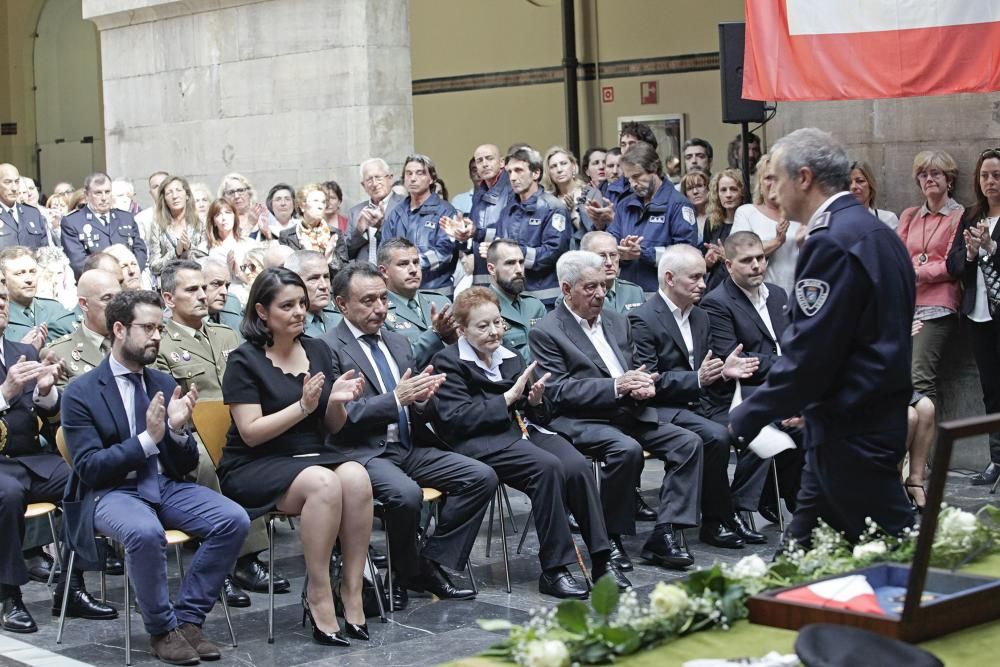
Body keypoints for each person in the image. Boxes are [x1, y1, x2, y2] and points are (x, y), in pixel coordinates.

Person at [729, 127, 916, 546]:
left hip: (851, 428)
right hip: (863, 417)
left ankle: (951, 606)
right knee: (803, 549)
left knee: (900, 546)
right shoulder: (875, 232)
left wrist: (750, 412)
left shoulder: (830, 241)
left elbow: (814, 350)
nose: (771, 190)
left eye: (775, 177)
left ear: (805, 178)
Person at [61, 290, 250, 664]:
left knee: (234, 519)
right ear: (118, 329)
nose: (156, 337)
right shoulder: (80, 392)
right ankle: (162, 630)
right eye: (147, 327)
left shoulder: (163, 383)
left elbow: (182, 467)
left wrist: (178, 432)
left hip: (165, 485)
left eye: (160, 328)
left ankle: (189, 619)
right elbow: (90, 468)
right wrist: (148, 439)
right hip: (111, 491)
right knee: (145, 533)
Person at [434, 287, 629, 596]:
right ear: (462, 330)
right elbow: (456, 420)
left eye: (498, 322)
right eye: (483, 326)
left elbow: (536, 409)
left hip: (521, 430)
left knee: (576, 465)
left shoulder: (509, 355)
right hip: (481, 441)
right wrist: (507, 400)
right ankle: (554, 569)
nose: (494, 331)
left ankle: (603, 559)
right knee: (548, 467)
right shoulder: (449, 362)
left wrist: (535, 401)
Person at [325, 262, 493, 609]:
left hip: (408, 444)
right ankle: (405, 573)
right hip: (362, 452)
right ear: (342, 305)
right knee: (406, 495)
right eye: (368, 300)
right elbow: (342, 417)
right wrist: (396, 399)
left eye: (384, 298)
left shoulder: (398, 342)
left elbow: (416, 405)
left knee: (481, 476)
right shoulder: (327, 347)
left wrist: (422, 400)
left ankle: (424, 564)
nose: (381, 308)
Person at [219, 267, 370, 646]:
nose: (300, 311)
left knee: (356, 476)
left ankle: (351, 588)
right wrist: (302, 407)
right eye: (287, 305)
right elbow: (251, 433)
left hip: (313, 452)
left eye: (302, 303)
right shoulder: (243, 361)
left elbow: (333, 426)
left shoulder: (318, 349)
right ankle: (317, 591)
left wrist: (336, 402)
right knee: (324, 482)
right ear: (262, 312)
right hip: (257, 462)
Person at [529, 251, 706, 571]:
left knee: (689, 442)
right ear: (566, 289)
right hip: (582, 418)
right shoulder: (547, 331)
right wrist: (616, 386)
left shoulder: (617, 320)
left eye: (603, 286)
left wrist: (643, 384)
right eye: (590, 287)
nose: (600, 294)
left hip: (629, 409)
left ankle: (665, 532)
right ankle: (608, 537)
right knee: (626, 450)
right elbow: (558, 391)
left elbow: (634, 366)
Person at [154, 260, 285, 605]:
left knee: (270, 452)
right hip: (189, 433)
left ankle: (248, 560)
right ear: (169, 298)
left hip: (237, 426)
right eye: (192, 290)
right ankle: (224, 566)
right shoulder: (163, 343)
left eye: (204, 288)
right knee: (208, 462)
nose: (203, 295)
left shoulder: (227, 335)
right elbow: (169, 401)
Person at [0, 279, 116, 635]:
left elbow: (50, 422)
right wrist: (5, 393)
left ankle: (72, 585)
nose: (1, 305)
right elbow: (9, 400)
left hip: (28, 458)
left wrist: (46, 394)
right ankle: (8, 596)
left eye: (3, 298)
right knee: (8, 494)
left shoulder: (22, 350)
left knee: (82, 474)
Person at [628, 244, 763, 547]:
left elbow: (709, 367)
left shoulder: (700, 317)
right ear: (670, 278)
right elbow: (648, 380)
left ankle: (728, 513)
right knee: (714, 437)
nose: (703, 284)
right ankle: (716, 519)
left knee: (754, 425)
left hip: (702, 402)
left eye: (704, 277)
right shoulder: (643, 318)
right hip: (661, 407)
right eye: (695, 278)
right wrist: (696, 379)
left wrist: (725, 370)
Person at [699, 231, 803, 522]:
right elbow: (734, 359)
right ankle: (740, 509)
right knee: (762, 422)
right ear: (729, 265)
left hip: (780, 389)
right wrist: (787, 363)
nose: (757, 265)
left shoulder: (778, 294)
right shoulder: (717, 302)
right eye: (747, 261)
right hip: (737, 395)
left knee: (811, 422)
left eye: (760, 257)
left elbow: (793, 344)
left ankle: (788, 497)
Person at [897, 151, 964, 425]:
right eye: (923, 175)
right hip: (905, 306)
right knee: (901, 379)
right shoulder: (910, 215)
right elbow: (896, 255)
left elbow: (951, 265)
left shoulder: (959, 215)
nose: (929, 179)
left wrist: (916, 272)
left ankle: (921, 460)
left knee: (919, 379)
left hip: (937, 306)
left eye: (935, 173)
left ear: (949, 179)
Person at [946, 148, 1000, 487]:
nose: (991, 182)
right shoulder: (971, 216)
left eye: (996, 175)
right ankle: (997, 460)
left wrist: (993, 249)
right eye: (985, 176)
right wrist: (968, 252)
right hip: (978, 316)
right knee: (991, 390)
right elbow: (952, 265)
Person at [474, 146, 569, 307]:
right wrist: (475, 233)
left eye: (519, 170)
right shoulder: (509, 208)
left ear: (536, 173)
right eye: (509, 172)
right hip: (514, 296)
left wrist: (514, 254)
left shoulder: (553, 207)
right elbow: (501, 239)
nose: (512, 177)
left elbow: (553, 252)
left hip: (546, 298)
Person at [609, 142, 697, 294]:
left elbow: (686, 255)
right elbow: (611, 240)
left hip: (664, 295)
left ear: (654, 169)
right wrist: (620, 252)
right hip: (627, 296)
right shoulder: (624, 205)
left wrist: (643, 254)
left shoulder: (678, 204)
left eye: (637, 176)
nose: (633, 184)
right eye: (629, 179)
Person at [381, 154, 460, 296]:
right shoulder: (396, 213)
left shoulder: (445, 211)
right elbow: (384, 250)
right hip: (400, 293)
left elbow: (445, 253)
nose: (413, 178)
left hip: (435, 292)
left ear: (431, 179)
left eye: (420, 173)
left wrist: (411, 265)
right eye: (408, 173)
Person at [376, 239, 457, 367]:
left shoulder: (441, 302)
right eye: (403, 264)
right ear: (384, 271)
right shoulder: (379, 312)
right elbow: (399, 363)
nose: (413, 269)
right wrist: (435, 334)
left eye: (416, 262)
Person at [732, 154, 802, 294]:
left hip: (799, 296)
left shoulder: (801, 214)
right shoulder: (747, 213)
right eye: (768, 178)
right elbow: (739, 253)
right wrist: (777, 241)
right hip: (763, 298)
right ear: (760, 183)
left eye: (778, 177)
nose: (774, 183)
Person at [41, 269, 120, 388]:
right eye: (107, 298)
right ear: (84, 304)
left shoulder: (136, 343)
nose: (116, 305)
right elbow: (62, 404)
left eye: (119, 298)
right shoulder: (59, 353)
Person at [61, 172, 148, 279]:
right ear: (87, 195)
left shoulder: (126, 218)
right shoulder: (73, 222)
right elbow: (78, 262)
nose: (104, 198)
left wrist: (131, 273)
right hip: (97, 284)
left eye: (107, 192)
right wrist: (115, 277)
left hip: (130, 281)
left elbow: (140, 251)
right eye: (98, 193)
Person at [336, 158, 404, 267]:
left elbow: (407, 244)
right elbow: (346, 253)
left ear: (390, 179)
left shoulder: (404, 205)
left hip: (393, 272)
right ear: (363, 186)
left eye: (378, 177)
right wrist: (359, 231)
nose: (374, 184)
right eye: (369, 180)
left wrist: (381, 227)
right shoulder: (356, 211)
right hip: (364, 274)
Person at [1, 246, 77, 344]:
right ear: (3, 280)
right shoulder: (2, 317)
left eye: (32, 272)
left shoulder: (55, 309)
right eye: (20, 273)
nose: (29, 279)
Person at [486, 239, 546, 361]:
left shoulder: (535, 306)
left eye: (521, 262)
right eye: (510, 263)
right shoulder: (481, 309)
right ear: (492, 269)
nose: (519, 270)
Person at [147, 176, 207, 277]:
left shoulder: (200, 223)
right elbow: (154, 267)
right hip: (170, 282)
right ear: (164, 199)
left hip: (197, 279)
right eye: (169, 193)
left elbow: (206, 259)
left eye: (178, 190)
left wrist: (190, 248)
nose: (175, 196)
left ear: (187, 195)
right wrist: (175, 252)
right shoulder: (157, 226)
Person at [545, 146, 603, 249]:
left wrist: (572, 213)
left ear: (573, 166)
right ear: (549, 172)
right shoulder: (547, 200)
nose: (559, 169)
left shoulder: (591, 194)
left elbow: (593, 235)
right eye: (553, 166)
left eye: (563, 163)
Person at [578, 230, 645, 314]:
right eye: (601, 256)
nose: (609, 263)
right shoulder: (575, 297)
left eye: (613, 255)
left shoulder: (635, 292)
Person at [703, 169, 746, 292]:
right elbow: (704, 264)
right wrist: (708, 262)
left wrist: (726, 257)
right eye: (723, 190)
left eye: (733, 189)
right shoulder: (712, 222)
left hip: (740, 289)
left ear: (742, 192)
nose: (728, 195)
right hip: (714, 289)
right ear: (717, 194)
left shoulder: (749, 220)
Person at [279, 184, 339, 268]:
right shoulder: (287, 236)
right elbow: (286, 272)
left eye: (323, 202)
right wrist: (307, 255)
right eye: (315, 201)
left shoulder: (334, 233)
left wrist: (330, 259)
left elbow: (344, 273)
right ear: (302, 206)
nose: (321, 206)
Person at [284, 250, 342, 337]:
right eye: (313, 278)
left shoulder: (340, 320)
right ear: (293, 282)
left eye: (326, 277)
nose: (324, 285)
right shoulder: (285, 327)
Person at [206, 198, 259, 288]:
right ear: (213, 222)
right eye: (218, 215)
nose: (224, 218)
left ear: (235, 216)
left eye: (228, 212)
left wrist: (238, 271)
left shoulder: (250, 243)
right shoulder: (211, 250)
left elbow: (256, 273)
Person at [0, 164, 48, 251]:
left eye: (17, 181)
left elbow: (44, 250)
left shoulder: (32, 214)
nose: (14, 188)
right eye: (7, 182)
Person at [218, 173, 271, 241]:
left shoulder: (263, 213)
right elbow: (230, 249)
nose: (236, 196)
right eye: (231, 192)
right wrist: (250, 225)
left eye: (240, 190)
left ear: (249, 193)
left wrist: (268, 234)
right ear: (224, 197)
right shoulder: (222, 219)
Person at [848, 161, 899, 230]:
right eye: (849, 182)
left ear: (870, 185)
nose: (853, 187)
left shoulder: (887, 219)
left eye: (860, 181)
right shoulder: (837, 221)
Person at [199, 256, 244, 333]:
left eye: (227, 286)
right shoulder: (180, 319)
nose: (224, 292)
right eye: (216, 284)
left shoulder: (233, 304)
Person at [134, 171, 169, 242]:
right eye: (155, 187)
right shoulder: (141, 219)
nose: (160, 189)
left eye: (164, 184)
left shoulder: (186, 213)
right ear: (150, 193)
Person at [680, 170, 710, 247]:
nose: (695, 192)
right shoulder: (682, 220)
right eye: (690, 188)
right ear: (685, 194)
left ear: (708, 188)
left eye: (699, 186)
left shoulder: (719, 215)